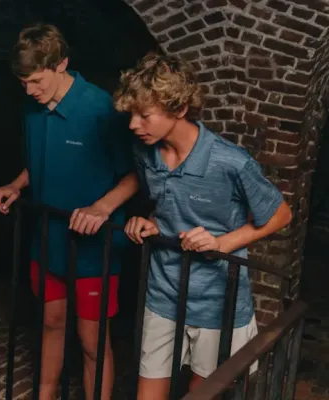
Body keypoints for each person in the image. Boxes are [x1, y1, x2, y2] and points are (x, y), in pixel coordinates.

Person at [114, 52, 293, 399]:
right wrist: (148, 223)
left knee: (203, 393)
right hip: (163, 292)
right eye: (131, 114)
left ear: (179, 110)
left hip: (216, 299)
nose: (134, 124)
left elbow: (281, 214)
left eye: (144, 114)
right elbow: (167, 206)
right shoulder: (145, 153)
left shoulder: (230, 161)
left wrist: (225, 242)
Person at [0, 24, 138, 400]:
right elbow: (41, 160)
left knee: (92, 342)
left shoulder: (101, 108)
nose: (29, 90)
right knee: (51, 323)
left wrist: (102, 207)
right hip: (47, 239)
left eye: (37, 81)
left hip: (94, 249)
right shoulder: (32, 106)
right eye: (23, 82)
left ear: (62, 64)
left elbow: (137, 175)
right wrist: (17, 184)